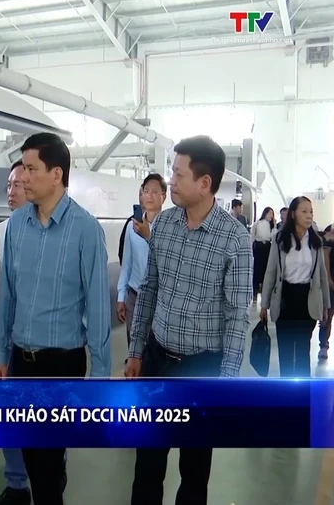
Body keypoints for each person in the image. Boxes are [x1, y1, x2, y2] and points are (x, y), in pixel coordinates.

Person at [126, 135, 253, 505]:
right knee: (147, 462)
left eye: (178, 175)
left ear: (204, 183)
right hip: (156, 359)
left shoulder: (234, 239)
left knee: (194, 471)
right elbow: (149, 289)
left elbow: (237, 316)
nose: (171, 182)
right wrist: (135, 350)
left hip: (202, 368)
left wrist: (226, 382)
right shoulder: (164, 225)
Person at [0, 132, 111, 505]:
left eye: (31, 169)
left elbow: (97, 305)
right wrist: (1, 354)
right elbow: (7, 294)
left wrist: (100, 377)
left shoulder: (85, 229)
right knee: (35, 458)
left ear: (56, 174)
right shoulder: (16, 226)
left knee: (45, 471)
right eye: (22, 169)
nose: (23, 177)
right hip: (21, 362)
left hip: (62, 363)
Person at [0, 160, 34, 505]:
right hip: (8, 339)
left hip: (46, 342)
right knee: (8, 413)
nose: (11, 191)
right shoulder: (0, 233)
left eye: (18, 185)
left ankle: (54, 470)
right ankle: (17, 484)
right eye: (8, 185)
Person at [260, 196, 330, 377]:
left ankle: (303, 391)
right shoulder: (280, 239)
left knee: (302, 351)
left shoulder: (315, 241)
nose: (309, 215)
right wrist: (264, 304)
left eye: (311, 211)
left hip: (307, 300)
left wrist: (326, 304)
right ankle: (286, 391)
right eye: (304, 211)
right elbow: (271, 271)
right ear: (293, 214)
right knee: (285, 351)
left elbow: (322, 275)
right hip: (284, 299)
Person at [117, 173, 167, 346]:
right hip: (135, 296)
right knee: (134, 346)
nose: (150, 195)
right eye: (146, 191)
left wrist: (148, 236)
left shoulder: (170, 228)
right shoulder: (132, 227)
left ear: (164, 196)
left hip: (159, 299)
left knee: (155, 348)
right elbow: (127, 264)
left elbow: (167, 262)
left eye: (155, 192)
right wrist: (121, 296)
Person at [251, 207, 276, 299]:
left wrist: (274, 226)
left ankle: (263, 289)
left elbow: (273, 236)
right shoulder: (258, 223)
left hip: (267, 247)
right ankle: (255, 289)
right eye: (270, 213)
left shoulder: (271, 225)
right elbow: (252, 236)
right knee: (257, 268)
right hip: (259, 246)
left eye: (272, 214)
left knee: (266, 268)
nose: (271, 215)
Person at [320, 224, 334, 360]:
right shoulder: (329, 235)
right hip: (331, 282)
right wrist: (329, 280)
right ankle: (323, 345)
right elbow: (325, 258)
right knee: (327, 315)